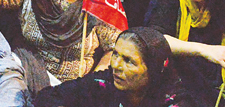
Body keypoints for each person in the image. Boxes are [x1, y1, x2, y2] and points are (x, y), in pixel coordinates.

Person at [35, 27, 193, 107]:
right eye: (116, 54)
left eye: (128, 61)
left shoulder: (174, 101)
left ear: (152, 69)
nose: (116, 65)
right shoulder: (105, 83)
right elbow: (47, 98)